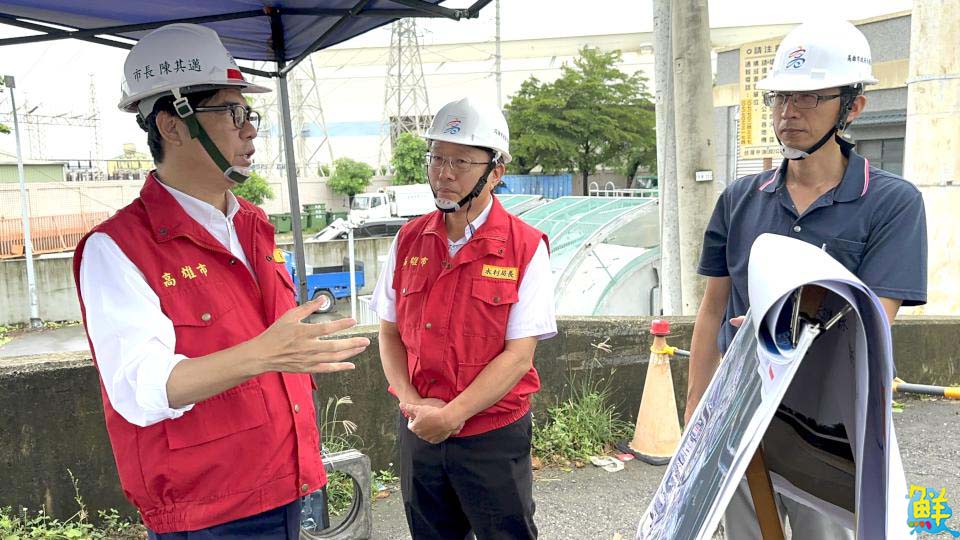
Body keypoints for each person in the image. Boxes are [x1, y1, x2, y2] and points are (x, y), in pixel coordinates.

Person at [72, 23, 369, 539]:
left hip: (289, 482)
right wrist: (266, 353)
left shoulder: (252, 224)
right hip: (212, 514)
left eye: (248, 113)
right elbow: (141, 389)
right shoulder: (117, 249)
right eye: (232, 113)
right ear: (172, 124)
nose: (250, 129)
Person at [685, 18, 927, 538]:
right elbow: (712, 313)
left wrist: (787, 320)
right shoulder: (740, 198)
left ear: (852, 106)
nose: (788, 113)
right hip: (742, 415)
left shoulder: (891, 203)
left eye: (810, 98)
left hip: (831, 426)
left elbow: (872, 321)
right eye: (780, 98)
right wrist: (697, 421)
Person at [370, 97, 557, 539]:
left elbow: (517, 357)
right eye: (437, 157)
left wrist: (454, 413)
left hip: (491, 435)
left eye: (461, 161)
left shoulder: (525, 248)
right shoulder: (409, 239)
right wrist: (413, 402)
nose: (444, 173)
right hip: (420, 427)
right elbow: (390, 332)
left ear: (495, 172)